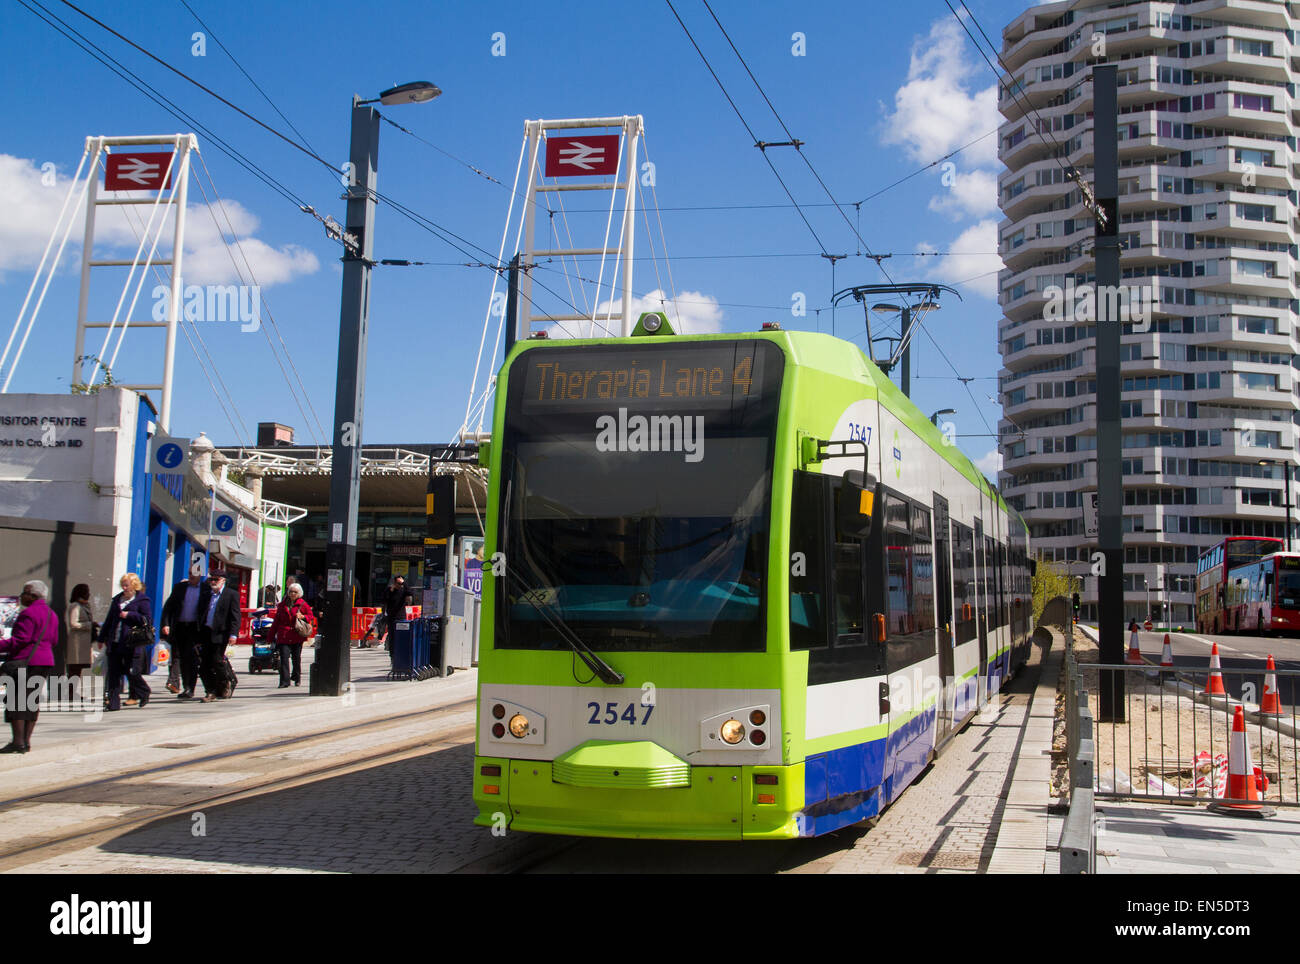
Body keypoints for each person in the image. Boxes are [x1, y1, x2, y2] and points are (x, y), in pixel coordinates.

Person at [0, 580, 59, 752]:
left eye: (24, 593)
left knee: (16, 700)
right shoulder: (51, 614)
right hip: (45, 661)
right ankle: (26, 741)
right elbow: (54, 640)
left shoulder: (28, 614)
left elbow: (20, 640)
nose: (21, 597)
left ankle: (17, 742)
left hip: (26, 661)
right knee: (31, 700)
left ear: (33, 596)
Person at [97, 573, 153, 712]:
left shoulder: (142, 600)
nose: (124, 587)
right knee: (113, 673)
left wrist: (130, 615)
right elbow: (109, 619)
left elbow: (147, 620)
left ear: (134, 585)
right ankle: (113, 703)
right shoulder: (117, 600)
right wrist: (101, 637)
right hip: (115, 641)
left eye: (127, 585)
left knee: (131, 672)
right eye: (123, 584)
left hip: (131, 643)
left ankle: (144, 691)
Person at [196, 566, 240, 702]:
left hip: (221, 634)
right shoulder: (206, 594)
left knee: (217, 661)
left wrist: (233, 634)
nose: (213, 582)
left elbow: (235, 616)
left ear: (223, 581)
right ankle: (211, 691)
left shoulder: (231, 594)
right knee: (203, 666)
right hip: (206, 633)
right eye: (211, 579)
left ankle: (227, 681)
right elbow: (200, 613)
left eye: (216, 579)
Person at [160, 570, 205, 700]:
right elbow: (168, 607)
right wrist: (166, 624)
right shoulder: (179, 588)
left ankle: (191, 687)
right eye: (190, 573)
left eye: (194, 574)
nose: (191, 576)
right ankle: (185, 687)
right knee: (181, 658)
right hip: (179, 627)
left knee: (192, 660)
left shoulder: (205, 589)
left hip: (195, 629)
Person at [269, 583, 314, 688]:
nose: (293, 594)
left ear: (299, 593)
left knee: (296, 658)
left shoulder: (303, 604)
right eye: (291, 591)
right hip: (283, 635)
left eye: (295, 592)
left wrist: (303, 616)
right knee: (284, 659)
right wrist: (270, 636)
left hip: (296, 635)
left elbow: (310, 616)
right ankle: (284, 681)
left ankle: (296, 677)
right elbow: (276, 622)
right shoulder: (282, 605)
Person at [65, 584, 95, 681]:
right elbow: (73, 623)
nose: (89, 594)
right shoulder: (75, 606)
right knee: (74, 670)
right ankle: (70, 693)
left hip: (84, 643)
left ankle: (73, 692)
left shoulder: (85, 605)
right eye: (86, 592)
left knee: (79, 670)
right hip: (77, 643)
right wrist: (89, 625)